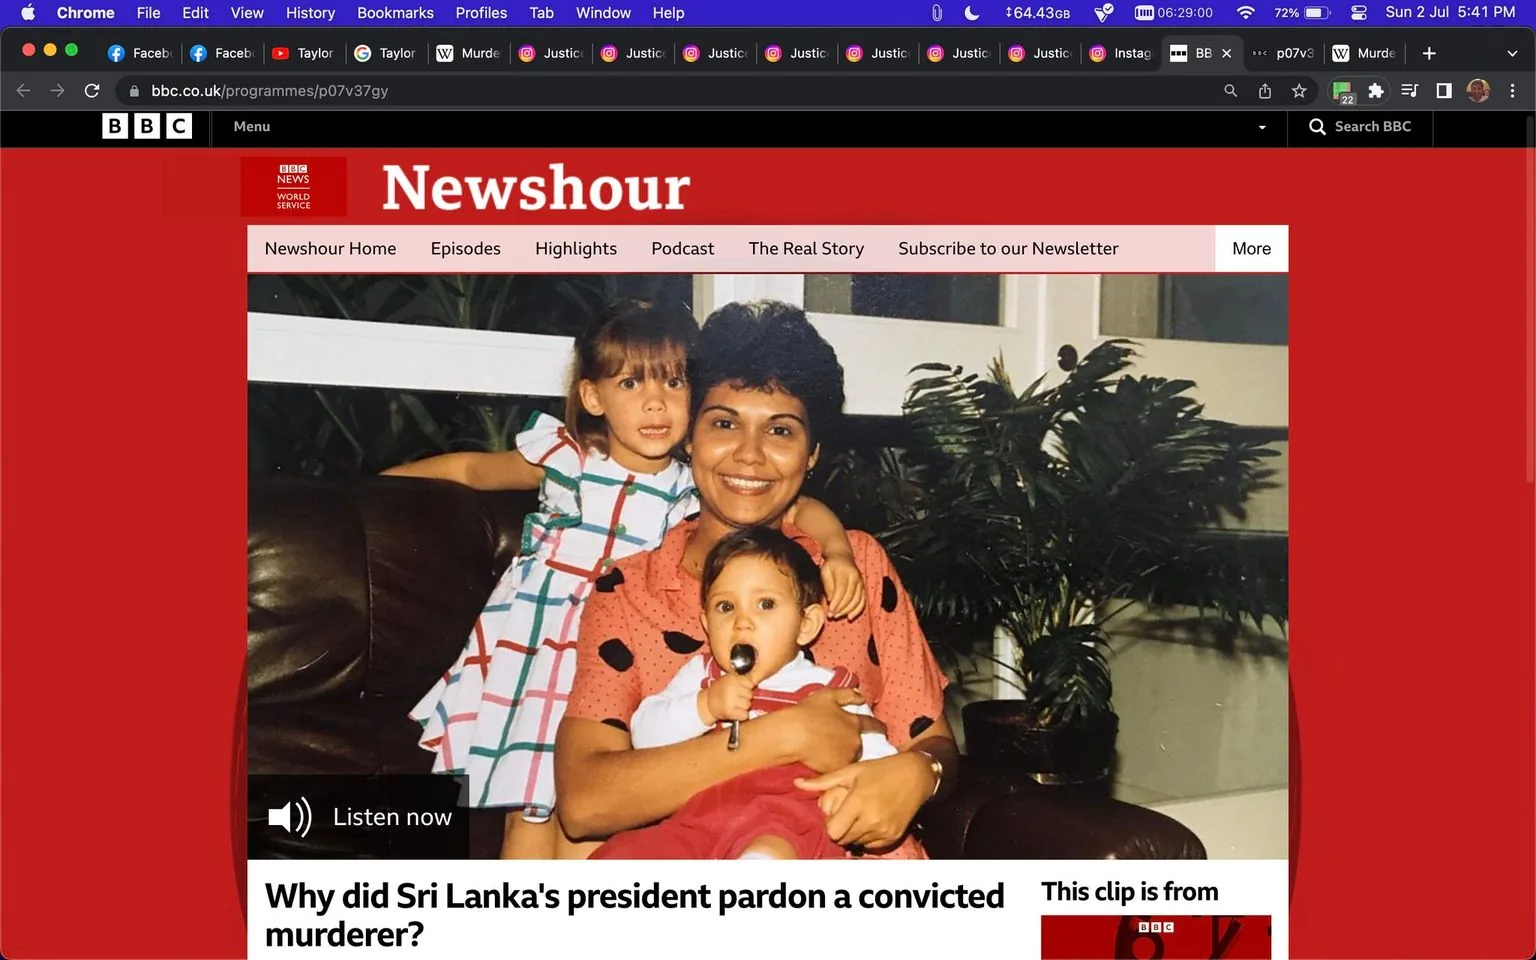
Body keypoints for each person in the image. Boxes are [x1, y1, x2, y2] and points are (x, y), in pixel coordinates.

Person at [385, 298, 866, 859]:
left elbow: (802, 509)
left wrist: (837, 552)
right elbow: (470, 469)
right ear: (593, 396)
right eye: (632, 383)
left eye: (674, 382)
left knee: (591, 824)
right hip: (545, 650)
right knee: (529, 804)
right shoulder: (568, 457)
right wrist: (380, 482)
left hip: (618, 662)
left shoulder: (699, 482)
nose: (656, 403)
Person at [556, 300, 959, 861]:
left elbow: (930, 738)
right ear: (689, 438)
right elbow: (585, 803)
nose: (749, 455)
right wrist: (784, 737)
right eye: (724, 424)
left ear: (812, 454)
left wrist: (920, 774)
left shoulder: (855, 566)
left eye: (780, 431)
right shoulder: (629, 592)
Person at [591, 526, 897, 860]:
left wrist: (847, 792)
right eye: (725, 607)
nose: (742, 622)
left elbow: (879, 763)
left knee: (770, 848)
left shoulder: (831, 688)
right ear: (706, 622)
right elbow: (645, 737)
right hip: (696, 819)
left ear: (806, 624)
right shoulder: (703, 677)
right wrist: (704, 706)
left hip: (788, 819)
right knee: (621, 854)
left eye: (765, 604)